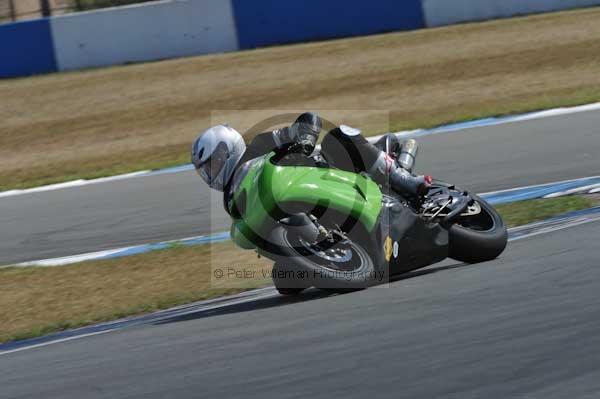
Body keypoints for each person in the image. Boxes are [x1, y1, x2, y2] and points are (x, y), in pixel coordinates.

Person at [191, 113, 431, 214]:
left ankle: (405, 181)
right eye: (206, 170)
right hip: (303, 206)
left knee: (340, 136)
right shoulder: (231, 201)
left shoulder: (258, 146)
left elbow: (308, 120)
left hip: (325, 174)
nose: (211, 174)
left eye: (212, 165)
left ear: (227, 150)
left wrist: (304, 141)